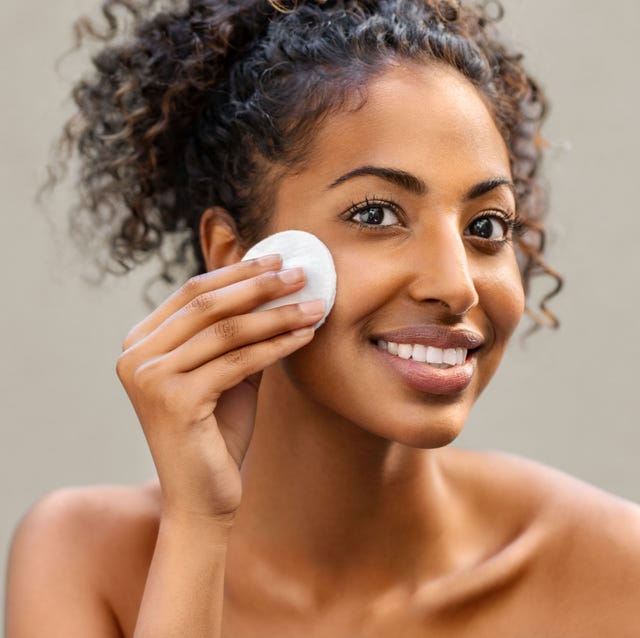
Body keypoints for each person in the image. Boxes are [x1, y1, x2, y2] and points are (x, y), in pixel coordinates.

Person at [6, 0, 640, 635]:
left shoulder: (612, 569)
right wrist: (197, 525)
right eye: (376, 214)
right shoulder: (84, 559)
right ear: (236, 255)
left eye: (486, 226)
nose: (456, 285)